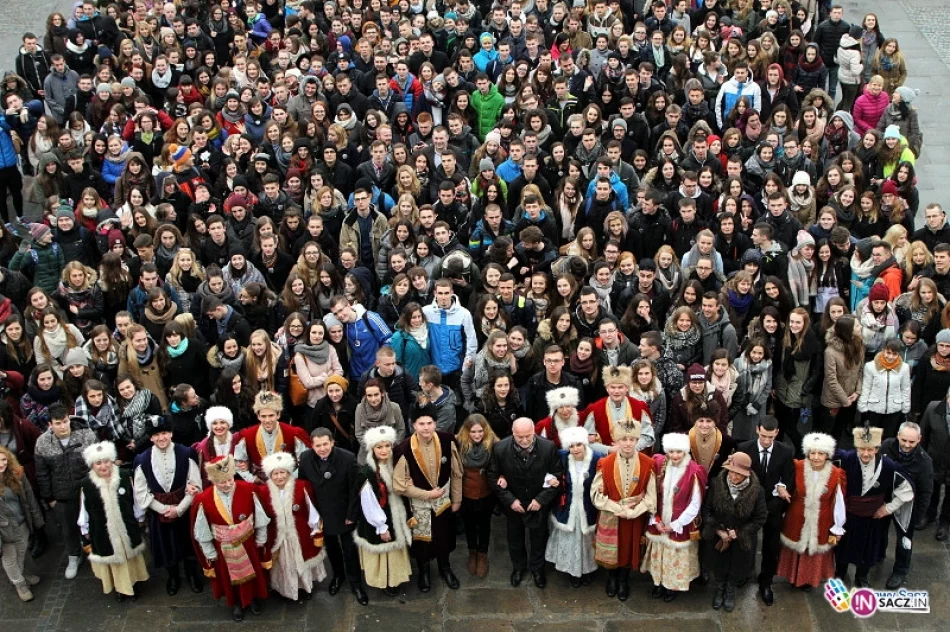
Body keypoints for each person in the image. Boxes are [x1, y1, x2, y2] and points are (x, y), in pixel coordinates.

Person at [191, 455, 271, 621]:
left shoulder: (249, 490)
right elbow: (202, 530)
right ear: (214, 481)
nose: (227, 484)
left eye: (229, 480)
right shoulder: (203, 499)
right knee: (228, 577)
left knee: (254, 573)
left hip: (247, 542)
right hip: (223, 548)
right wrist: (209, 552)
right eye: (222, 482)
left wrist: (261, 539)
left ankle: (253, 598)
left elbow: (260, 518)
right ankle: (237, 603)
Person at [392, 407, 463, 592]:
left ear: (435, 423)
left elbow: (456, 472)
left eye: (429, 423)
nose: (426, 428)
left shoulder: (448, 441)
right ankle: (424, 572)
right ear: (414, 425)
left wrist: (457, 499)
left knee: (444, 536)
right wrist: (427, 495)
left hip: (443, 502)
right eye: (421, 424)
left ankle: (445, 568)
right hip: (419, 506)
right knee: (422, 542)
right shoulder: (404, 449)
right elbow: (400, 485)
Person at [835, 426, 915, 588]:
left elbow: (907, 489)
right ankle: (840, 573)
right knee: (843, 547)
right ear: (856, 447)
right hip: (847, 516)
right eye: (862, 449)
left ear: (877, 449)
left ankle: (862, 576)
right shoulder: (846, 458)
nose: (865, 454)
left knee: (868, 549)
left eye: (870, 449)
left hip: (872, 518)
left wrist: (888, 508)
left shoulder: (888, 466)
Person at [132, 416, 203, 597]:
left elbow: (195, 484)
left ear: (171, 433)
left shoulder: (186, 453)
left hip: (184, 509)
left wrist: (179, 509)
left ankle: (192, 574)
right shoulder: (142, 459)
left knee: (188, 544)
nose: (161, 438)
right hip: (159, 513)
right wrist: (163, 510)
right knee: (165, 546)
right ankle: (173, 577)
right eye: (156, 435)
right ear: (150, 438)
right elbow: (141, 493)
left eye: (164, 433)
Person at [488, 417, 562, 589]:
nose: (524, 440)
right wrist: (510, 500)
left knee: (538, 537)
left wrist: (540, 500)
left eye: (528, 436)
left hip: (537, 501)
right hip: (514, 502)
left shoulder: (548, 447)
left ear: (534, 432)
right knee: (515, 538)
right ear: (513, 433)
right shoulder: (500, 448)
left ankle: (537, 569)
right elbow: (492, 476)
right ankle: (518, 568)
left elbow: (557, 476)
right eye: (519, 437)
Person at [298, 427, 368, 605]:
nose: (322, 448)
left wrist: (352, 515)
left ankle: (356, 583)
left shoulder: (347, 458)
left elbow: (355, 489)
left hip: (344, 512)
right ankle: (338, 576)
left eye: (325, 444)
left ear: (332, 442)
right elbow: (304, 488)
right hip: (323, 514)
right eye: (318, 445)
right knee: (332, 549)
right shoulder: (305, 459)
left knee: (350, 550)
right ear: (312, 446)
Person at [591, 414, 656, 602]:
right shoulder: (605, 463)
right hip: (612, 514)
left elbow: (651, 496)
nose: (627, 444)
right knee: (614, 548)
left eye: (632, 439)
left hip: (634, 515)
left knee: (629, 547)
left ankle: (624, 579)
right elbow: (596, 494)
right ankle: (612, 577)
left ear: (637, 440)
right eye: (623, 439)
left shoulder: (648, 463)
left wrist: (633, 511)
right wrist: (615, 508)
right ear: (616, 441)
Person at [78, 441, 149, 601]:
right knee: (113, 559)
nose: (103, 466)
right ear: (92, 465)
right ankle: (119, 587)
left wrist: (140, 517)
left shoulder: (124, 476)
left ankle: (134, 582)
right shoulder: (87, 485)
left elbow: (135, 500)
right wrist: (86, 530)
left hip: (126, 525)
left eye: (106, 462)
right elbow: (84, 510)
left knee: (130, 556)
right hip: (103, 531)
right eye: (98, 463)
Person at [642, 433, 707, 601]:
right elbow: (651, 495)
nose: (675, 456)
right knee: (660, 555)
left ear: (685, 451)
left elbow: (695, 504)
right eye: (671, 452)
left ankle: (671, 587)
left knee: (674, 557)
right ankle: (658, 583)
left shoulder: (693, 471)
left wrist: (676, 524)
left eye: (679, 452)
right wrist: (655, 520)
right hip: (659, 521)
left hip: (679, 524)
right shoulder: (659, 465)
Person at [776, 432, 846, 591]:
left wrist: (838, 526)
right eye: (812, 453)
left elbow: (839, 502)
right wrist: (780, 486)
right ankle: (793, 576)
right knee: (795, 546)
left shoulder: (836, 474)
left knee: (814, 550)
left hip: (822, 520)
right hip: (796, 517)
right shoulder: (797, 466)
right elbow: (782, 478)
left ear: (827, 455)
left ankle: (807, 580)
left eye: (821, 453)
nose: (816, 457)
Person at [33, 403, 96, 580]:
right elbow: (42, 473)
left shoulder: (86, 435)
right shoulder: (43, 443)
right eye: (58, 423)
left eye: (65, 421)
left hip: (86, 492)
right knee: (68, 529)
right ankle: (74, 556)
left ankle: (96, 553)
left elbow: (98, 461)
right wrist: (49, 498)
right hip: (61, 495)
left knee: (92, 525)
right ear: (50, 425)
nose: (63, 426)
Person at [737, 416, 795, 605]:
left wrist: (781, 487)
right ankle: (745, 573)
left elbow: (788, 478)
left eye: (771, 437)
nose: (767, 441)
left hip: (773, 506)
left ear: (777, 433)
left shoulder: (786, 451)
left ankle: (766, 582)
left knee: (771, 547)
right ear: (757, 430)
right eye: (763, 436)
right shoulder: (744, 449)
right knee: (746, 542)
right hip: (749, 506)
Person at [257, 452, 328, 602]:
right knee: (283, 564)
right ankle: (283, 588)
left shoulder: (302, 487)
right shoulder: (263, 491)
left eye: (282, 472)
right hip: (278, 536)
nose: (279, 477)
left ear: (289, 472)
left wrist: (316, 532)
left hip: (300, 534)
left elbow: (312, 511)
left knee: (300, 560)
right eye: (275, 474)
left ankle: (303, 587)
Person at [702, 452, 768, 612]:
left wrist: (739, 533)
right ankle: (719, 589)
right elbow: (706, 510)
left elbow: (760, 517)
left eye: (739, 474)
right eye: (732, 471)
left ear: (747, 474)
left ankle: (730, 591)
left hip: (741, 538)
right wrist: (718, 530)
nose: (734, 476)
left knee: (737, 566)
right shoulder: (716, 484)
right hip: (718, 535)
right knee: (718, 564)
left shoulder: (757, 491)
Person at [353, 426, 412, 594]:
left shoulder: (396, 463)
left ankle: (395, 578)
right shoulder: (367, 473)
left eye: (387, 446)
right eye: (379, 447)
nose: (384, 450)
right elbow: (369, 503)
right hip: (381, 517)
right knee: (385, 546)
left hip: (397, 513)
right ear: (372, 449)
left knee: (396, 548)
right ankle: (385, 580)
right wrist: (381, 526)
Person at [545, 426, 600, 587]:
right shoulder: (562, 457)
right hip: (567, 507)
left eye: (578, 445)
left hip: (588, 507)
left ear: (585, 444)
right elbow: (549, 472)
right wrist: (551, 480)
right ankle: (573, 572)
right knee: (570, 539)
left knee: (587, 541)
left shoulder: (597, 459)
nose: (575, 449)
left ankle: (587, 570)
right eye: (572, 446)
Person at [880, 422, 933, 589]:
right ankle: (877, 555)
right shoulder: (887, 446)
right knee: (879, 530)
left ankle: (900, 570)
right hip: (885, 498)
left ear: (919, 440)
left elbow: (926, 492)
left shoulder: (924, 462)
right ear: (897, 436)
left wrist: (917, 517)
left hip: (907, 506)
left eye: (912, 442)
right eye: (904, 440)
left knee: (904, 539)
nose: (907, 445)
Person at [233, 390, 309, 483]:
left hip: (289, 484)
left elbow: (305, 462)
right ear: (258, 416)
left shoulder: (293, 433)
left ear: (278, 414)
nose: (267, 420)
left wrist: (291, 478)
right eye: (263, 416)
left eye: (271, 415)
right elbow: (238, 463)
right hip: (260, 486)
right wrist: (252, 479)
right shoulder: (247, 436)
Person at [0, 445, 44, 602]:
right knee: (10, 559)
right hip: (4, 530)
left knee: (23, 551)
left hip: (21, 522)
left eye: (4, 460)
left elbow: (29, 497)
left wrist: (36, 518)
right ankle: (20, 584)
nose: (2, 464)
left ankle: (23, 575)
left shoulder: (16, 474)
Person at [457, 414, 497, 579]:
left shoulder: (494, 444)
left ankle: (482, 555)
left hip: (486, 492)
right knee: (469, 524)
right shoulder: (459, 444)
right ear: (467, 432)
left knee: (484, 523)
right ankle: (472, 551)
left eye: (480, 431)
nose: (477, 435)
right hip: (466, 492)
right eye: (473, 432)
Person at [582, 366, 654, 450]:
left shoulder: (639, 407)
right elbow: (588, 442)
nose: (616, 391)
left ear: (627, 388)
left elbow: (647, 436)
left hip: (633, 456)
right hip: (605, 459)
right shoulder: (595, 409)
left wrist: (630, 447)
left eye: (620, 387)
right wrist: (609, 450)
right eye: (612, 387)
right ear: (607, 388)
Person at [920, 386, 950, 540]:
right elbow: (923, 434)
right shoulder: (933, 408)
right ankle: (929, 514)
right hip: (934, 460)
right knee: (933, 489)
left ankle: (945, 522)